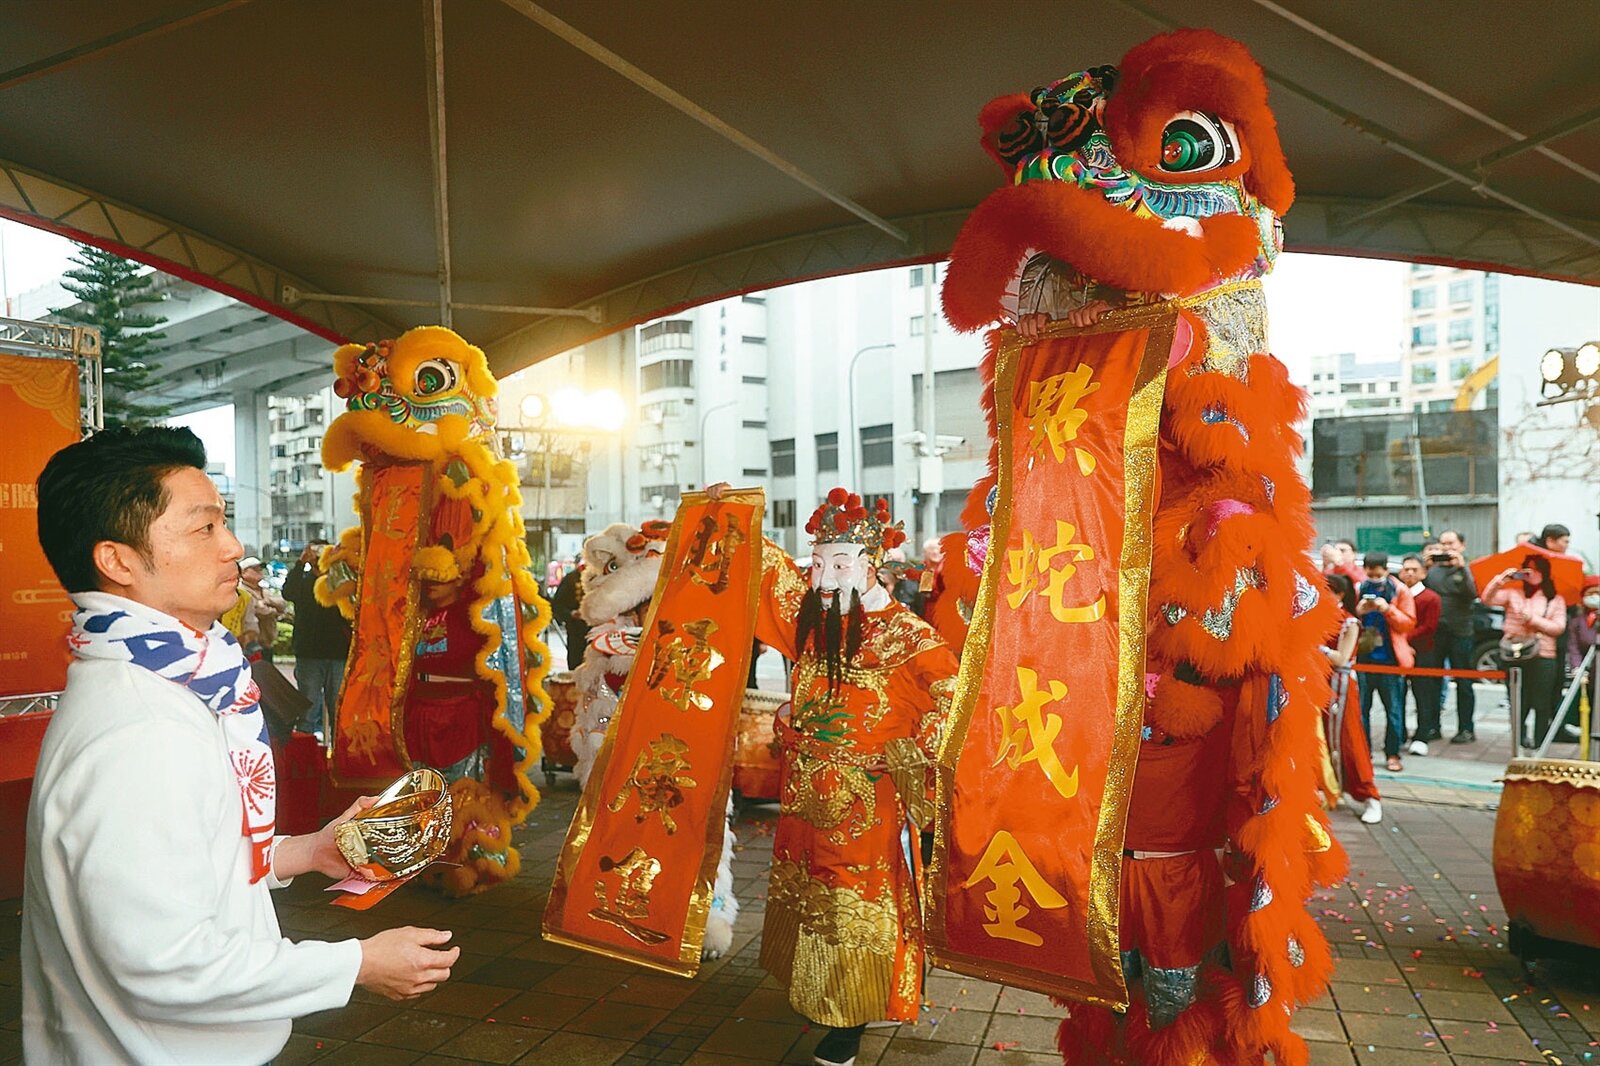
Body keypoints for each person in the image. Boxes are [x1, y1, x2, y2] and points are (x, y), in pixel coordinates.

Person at [24, 426, 459, 1065]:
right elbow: (162, 964)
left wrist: (305, 853)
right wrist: (358, 963)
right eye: (203, 529)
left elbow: (182, 869)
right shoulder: (146, 728)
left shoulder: (169, 682)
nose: (233, 547)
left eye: (224, 522)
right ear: (116, 561)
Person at [712, 483, 957, 1066]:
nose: (823, 576)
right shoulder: (817, 619)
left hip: (866, 799)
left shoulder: (909, 636)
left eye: (840, 564)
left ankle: (851, 1018)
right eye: (818, 563)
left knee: (853, 901)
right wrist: (728, 518)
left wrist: (901, 755)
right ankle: (819, 991)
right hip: (806, 794)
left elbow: (955, 704)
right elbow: (766, 574)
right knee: (811, 891)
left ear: (876, 569)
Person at [1484, 555, 1568, 747]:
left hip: (1543, 654)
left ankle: (1540, 740)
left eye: (1536, 569)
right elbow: (1487, 599)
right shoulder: (1513, 592)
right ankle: (1519, 739)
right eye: (1527, 570)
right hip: (1515, 652)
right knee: (1517, 700)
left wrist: (1532, 619)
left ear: (1545, 573)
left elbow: (1558, 628)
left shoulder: (1555, 598)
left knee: (1542, 701)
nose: (1532, 574)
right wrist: (1501, 579)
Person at [1319, 574, 1382, 823]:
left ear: (1340, 594)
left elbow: (1341, 659)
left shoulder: (1350, 622)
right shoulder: (1317, 618)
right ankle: (1331, 789)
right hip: (1319, 682)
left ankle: (1370, 796)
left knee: (1350, 739)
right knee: (1321, 739)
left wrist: (1313, 646)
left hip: (1341, 685)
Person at [282, 539, 353, 739]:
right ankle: (307, 757)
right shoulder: (302, 580)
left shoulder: (338, 580)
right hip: (309, 653)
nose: (319, 555)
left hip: (338, 652)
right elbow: (288, 592)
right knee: (307, 706)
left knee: (338, 707)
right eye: (315, 550)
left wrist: (339, 561)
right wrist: (300, 563)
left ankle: (340, 757)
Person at [1354, 550, 1417, 772]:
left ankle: (1393, 753)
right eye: (1369, 572)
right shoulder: (1358, 588)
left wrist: (1387, 609)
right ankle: (1364, 753)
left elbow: (1409, 623)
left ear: (1386, 570)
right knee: (1361, 710)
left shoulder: (1399, 590)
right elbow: (1347, 620)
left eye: (1376, 572)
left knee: (1394, 710)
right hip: (1363, 657)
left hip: (1390, 659)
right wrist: (1358, 612)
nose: (1372, 576)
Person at [1424, 529, 1480, 744]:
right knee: (1433, 681)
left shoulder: (1467, 569)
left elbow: (1473, 593)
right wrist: (1426, 566)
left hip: (1461, 632)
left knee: (1464, 682)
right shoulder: (1433, 570)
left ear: (1462, 546)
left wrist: (1461, 567)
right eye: (1443, 544)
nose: (1447, 548)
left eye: (1451, 544)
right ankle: (1432, 726)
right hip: (1436, 632)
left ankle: (1466, 728)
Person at [1399, 554, 1441, 753]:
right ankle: (1399, 733)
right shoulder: (1397, 594)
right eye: (1406, 569)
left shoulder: (1430, 597)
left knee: (1423, 695)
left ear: (1423, 573)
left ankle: (1422, 735)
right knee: (1397, 694)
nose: (1409, 573)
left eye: (1414, 570)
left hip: (1423, 651)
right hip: (1398, 652)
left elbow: (1429, 627)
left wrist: (1405, 639)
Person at [238, 554, 286, 662]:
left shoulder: (264, 590)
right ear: (243, 573)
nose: (259, 571)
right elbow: (259, 611)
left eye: (260, 569)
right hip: (250, 646)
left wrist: (266, 602)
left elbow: (282, 604)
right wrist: (274, 610)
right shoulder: (242, 591)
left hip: (267, 644)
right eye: (254, 569)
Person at [1569, 576, 1600, 737]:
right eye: (1591, 593)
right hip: (1589, 675)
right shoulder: (1578, 622)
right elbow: (1573, 647)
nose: (1595, 597)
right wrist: (1577, 667)